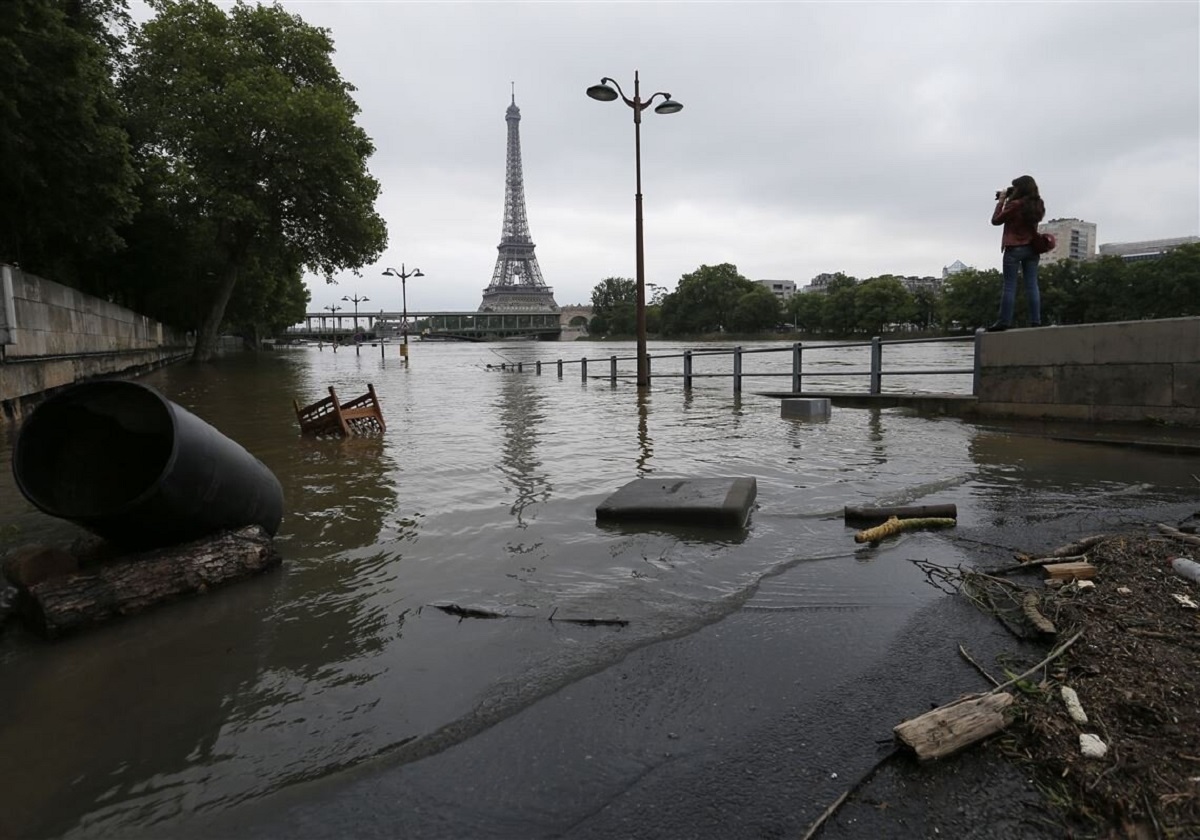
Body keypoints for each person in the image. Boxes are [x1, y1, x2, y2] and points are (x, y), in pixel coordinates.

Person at [988, 174, 1045, 331]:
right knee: (1032, 285)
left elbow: (996, 220)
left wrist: (1002, 201)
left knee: (1010, 286)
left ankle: (1004, 322)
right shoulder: (1038, 204)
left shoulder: (1015, 205)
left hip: (1014, 248)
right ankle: (1036, 321)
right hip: (1032, 248)